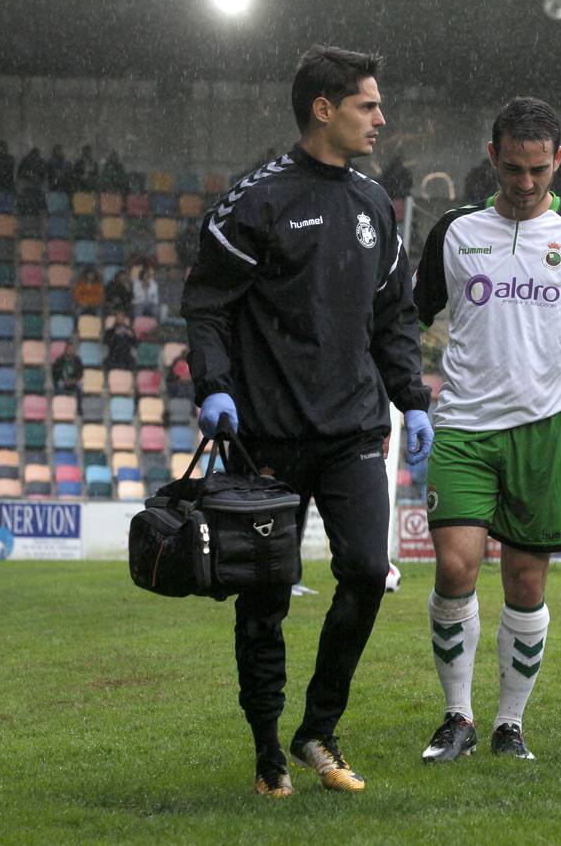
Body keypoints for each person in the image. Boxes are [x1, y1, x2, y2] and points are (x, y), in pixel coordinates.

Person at [182, 44, 433, 798]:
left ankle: (318, 728)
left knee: (364, 570)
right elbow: (206, 305)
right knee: (264, 595)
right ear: (323, 109)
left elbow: (394, 316)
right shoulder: (255, 201)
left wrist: (412, 396)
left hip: (355, 428)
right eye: (367, 104)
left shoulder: (373, 204)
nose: (380, 119)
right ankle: (266, 752)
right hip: (265, 434)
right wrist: (214, 386)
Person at [411, 97, 561, 764]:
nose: (526, 182)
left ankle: (509, 724)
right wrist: (409, 390)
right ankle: (457, 716)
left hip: (540, 429)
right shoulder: (453, 231)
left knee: (526, 584)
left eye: (538, 169)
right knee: (455, 566)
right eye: (513, 169)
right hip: (464, 426)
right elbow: (405, 320)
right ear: (492, 158)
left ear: (557, 160)